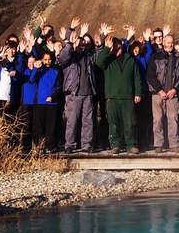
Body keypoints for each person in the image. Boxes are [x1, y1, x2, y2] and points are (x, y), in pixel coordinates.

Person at [95, 26, 144, 154]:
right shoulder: (108, 60)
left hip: (128, 97)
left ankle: (131, 145)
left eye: (119, 46)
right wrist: (106, 48)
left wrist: (138, 93)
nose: (117, 49)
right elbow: (99, 62)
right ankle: (115, 145)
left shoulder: (130, 60)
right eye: (114, 47)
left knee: (129, 123)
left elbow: (137, 78)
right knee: (113, 123)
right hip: (113, 97)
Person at [58, 20, 99, 153]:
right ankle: (69, 144)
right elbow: (62, 57)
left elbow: (99, 54)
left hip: (87, 92)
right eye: (80, 44)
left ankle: (87, 145)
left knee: (88, 121)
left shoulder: (89, 57)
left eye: (84, 45)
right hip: (73, 93)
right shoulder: (69, 58)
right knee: (72, 121)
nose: (82, 47)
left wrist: (101, 40)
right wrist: (70, 37)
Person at [146, 31, 179, 152]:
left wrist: (175, 89)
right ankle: (158, 144)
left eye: (172, 43)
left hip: (173, 94)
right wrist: (159, 90)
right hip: (158, 94)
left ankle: (174, 144)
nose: (170, 45)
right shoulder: (155, 57)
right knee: (157, 119)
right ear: (163, 43)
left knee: (173, 119)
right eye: (168, 42)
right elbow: (150, 76)